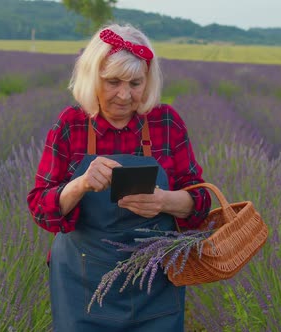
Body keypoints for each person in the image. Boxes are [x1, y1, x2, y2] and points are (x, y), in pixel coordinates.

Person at [27, 23, 211, 331]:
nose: (124, 95)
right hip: (83, 284)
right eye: (112, 82)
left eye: (135, 83)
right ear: (92, 78)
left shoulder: (166, 122)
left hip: (155, 285)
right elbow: (40, 208)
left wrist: (165, 201)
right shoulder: (72, 125)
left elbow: (201, 201)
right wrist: (80, 184)